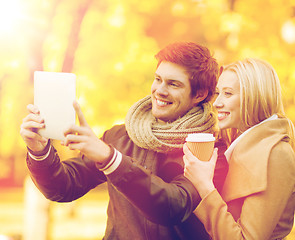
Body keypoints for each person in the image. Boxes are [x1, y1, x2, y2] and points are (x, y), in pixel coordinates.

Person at [20, 42, 228, 240]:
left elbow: (173, 206)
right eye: (158, 79)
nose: (160, 90)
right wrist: (39, 150)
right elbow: (63, 187)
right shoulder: (121, 137)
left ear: (199, 94)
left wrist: (111, 159)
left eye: (173, 84)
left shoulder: (210, 151)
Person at [183, 58, 295, 240]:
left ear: (254, 96)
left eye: (228, 94)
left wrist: (204, 185)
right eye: (218, 93)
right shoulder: (234, 144)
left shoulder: (276, 153)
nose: (217, 103)